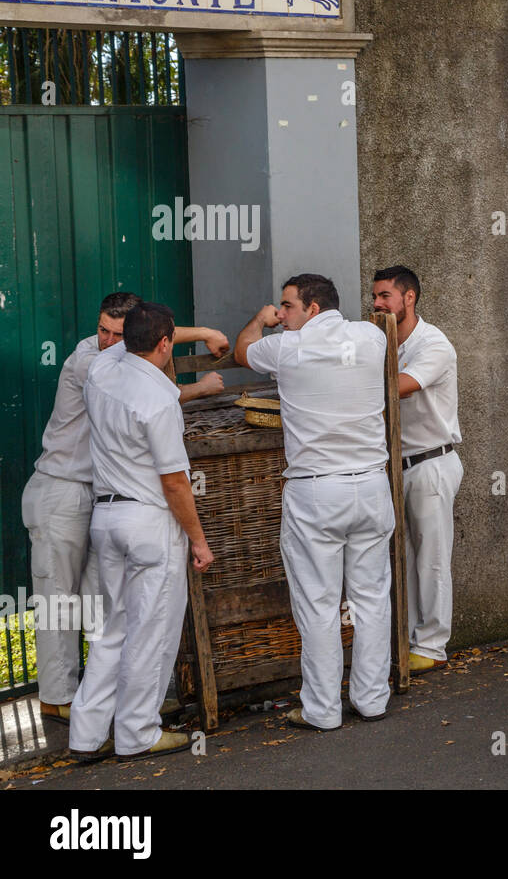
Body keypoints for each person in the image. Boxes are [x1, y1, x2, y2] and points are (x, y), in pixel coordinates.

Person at [22, 292, 228, 724]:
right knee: (59, 599)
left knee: (102, 610)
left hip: (99, 499)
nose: (108, 340)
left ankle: (99, 711)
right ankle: (60, 697)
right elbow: (152, 388)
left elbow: (154, 340)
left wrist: (201, 333)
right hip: (61, 489)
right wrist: (202, 369)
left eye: (118, 332)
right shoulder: (88, 360)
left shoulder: (116, 359)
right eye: (102, 329)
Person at [235, 274, 394, 730]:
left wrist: (259, 321)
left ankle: (323, 710)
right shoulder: (369, 336)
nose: (282, 314)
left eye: (287, 307)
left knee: (318, 605)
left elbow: (244, 350)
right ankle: (371, 699)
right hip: (371, 485)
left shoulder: (285, 347)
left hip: (317, 491)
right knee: (371, 599)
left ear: (313, 309)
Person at [68, 303, 215, 762]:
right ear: (167, 343)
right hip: (149, 522)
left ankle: (86, 735)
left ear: (125, 337)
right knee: (150, 632)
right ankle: (137, 733)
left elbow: (134, 338)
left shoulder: (102, 371)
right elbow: (174, 481)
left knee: (113, 630)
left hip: (106, 518)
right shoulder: (160, 399)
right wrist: (198, 539)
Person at [371, 266, 462, 676]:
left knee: (432, 558)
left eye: (385, 296)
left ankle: (433, 645)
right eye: (374, 296)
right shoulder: (380, 339)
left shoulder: (434, 343)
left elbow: (401, 385)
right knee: (400, 557)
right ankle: (407, 642)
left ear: (409, 298)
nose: (376, 303)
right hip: (392, 467)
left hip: (431, 463)